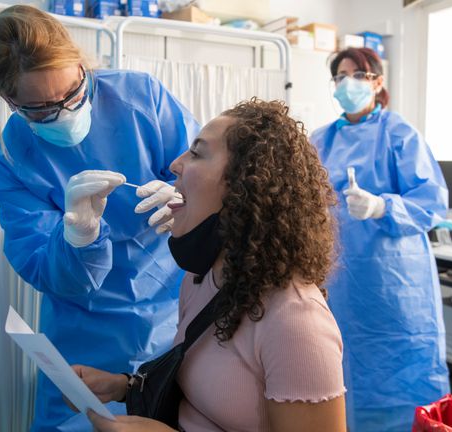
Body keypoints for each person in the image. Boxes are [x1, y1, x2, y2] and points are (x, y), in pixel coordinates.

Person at [0, 6, 199, 431]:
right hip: (82, 335)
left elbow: (208, 173)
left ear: (82, 65)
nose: (66, 114)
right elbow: (41, 266)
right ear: (9, 101)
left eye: (74, 93)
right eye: (41, 110)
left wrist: (186, 199)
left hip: (171, 311)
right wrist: (79, 235)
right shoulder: (13, 159)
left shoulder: (141, 98)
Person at [72, 99, 347, 432]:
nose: (175, 164)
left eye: (197, 153)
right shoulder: (203, 280)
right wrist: (122, 386)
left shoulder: (296, 322)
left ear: (244, 186)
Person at [309, 47, 450, 431]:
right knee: (339, 367)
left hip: (394, 284)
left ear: (377, 82)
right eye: (340, 76)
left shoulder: (399, 133)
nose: (347, 83)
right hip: (337, 277)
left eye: (358, 74)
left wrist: (381, 207)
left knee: (399, 372)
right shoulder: (321, 140)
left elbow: (432, 201)